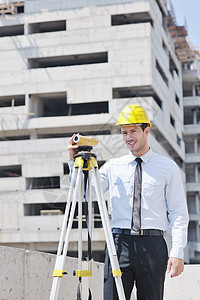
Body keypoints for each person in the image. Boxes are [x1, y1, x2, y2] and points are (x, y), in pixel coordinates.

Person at [68, 104, 189, 300]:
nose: (128, 137)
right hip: (118, 244)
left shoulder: (168, 167)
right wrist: (73, 162)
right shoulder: (112, 167)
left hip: (153, 245)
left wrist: (177, 251)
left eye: (133, 131)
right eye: (124, 132)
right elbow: (84, 193)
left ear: (146, 130)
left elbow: (178, 212)